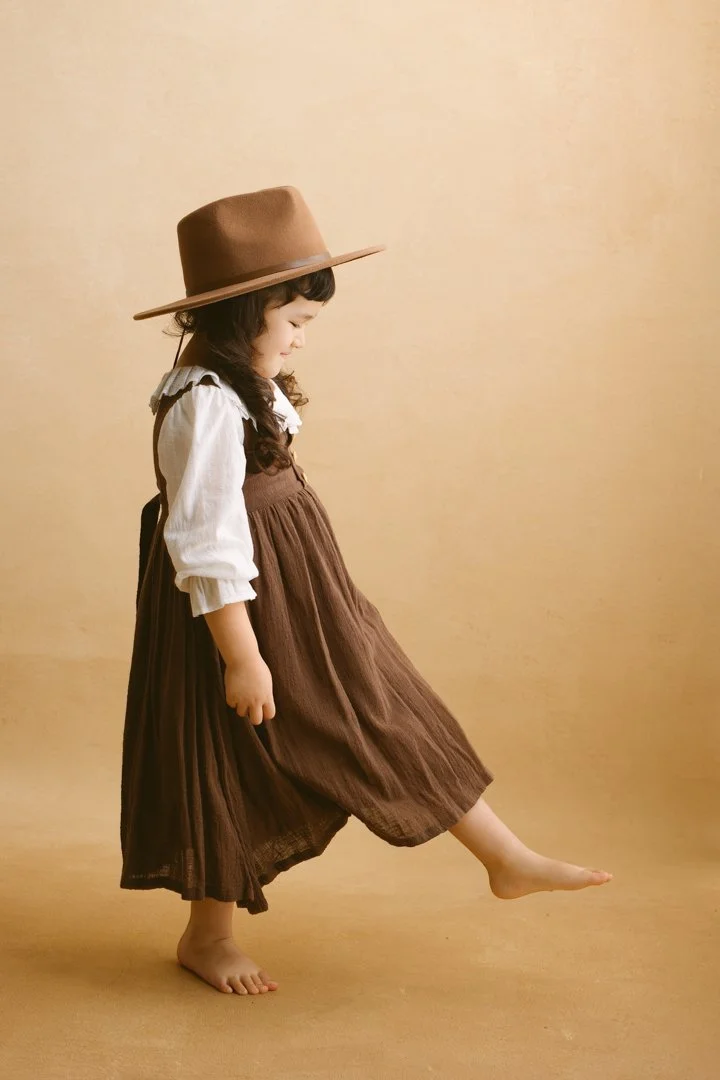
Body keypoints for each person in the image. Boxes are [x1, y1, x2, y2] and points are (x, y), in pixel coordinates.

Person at [121, 186, 612, 997]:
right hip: (240, 608)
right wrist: (241, 657)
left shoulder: (242, 391)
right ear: (245, 316)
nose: (302, 342)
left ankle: (505, 857)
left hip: (303, 593)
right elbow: (203, 540)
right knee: (220, 751)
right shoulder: (204, 406)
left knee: (383, 706)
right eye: (295, 324)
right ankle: (207, 935)